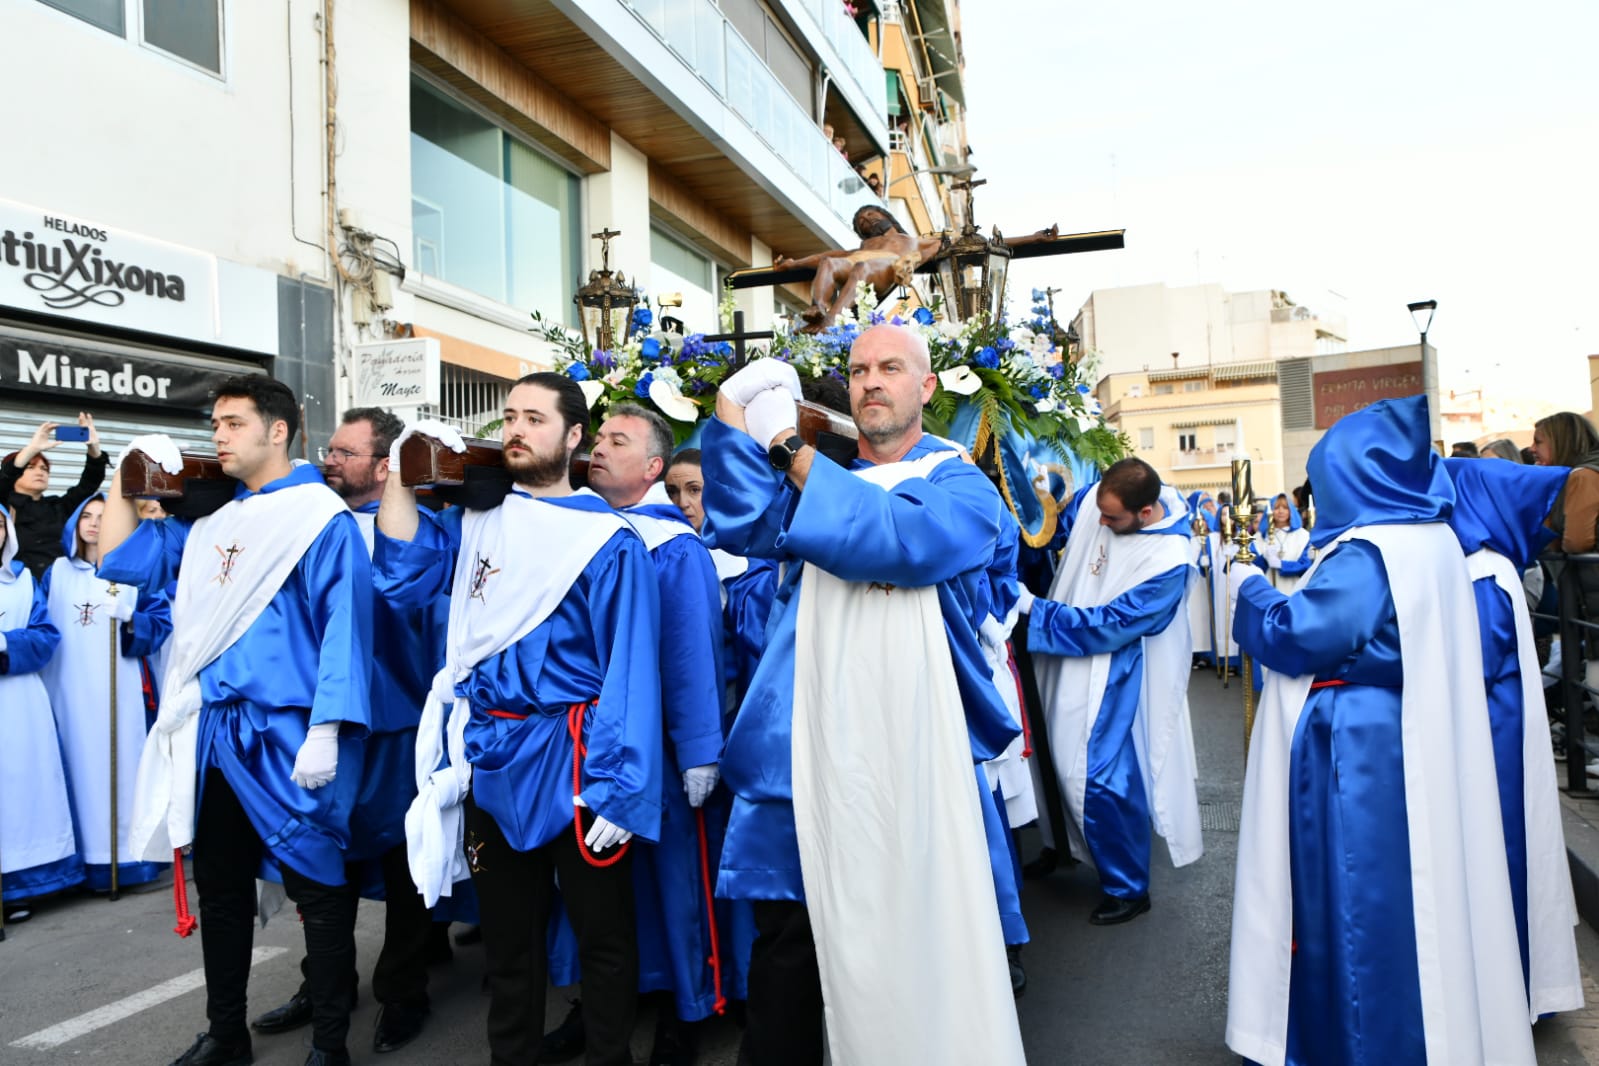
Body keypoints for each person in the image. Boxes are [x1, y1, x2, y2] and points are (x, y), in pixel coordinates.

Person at [700, 324, 1025, 1065]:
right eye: (857, 370)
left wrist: (788, 450)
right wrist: (730, 418)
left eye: (890, 368)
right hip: (802, 733)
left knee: (914, 925)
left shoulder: (959, 483)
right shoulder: (820, 476)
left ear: (927, 387)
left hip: (916, 743)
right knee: (787, 937)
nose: (871, 381)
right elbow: (744, 523)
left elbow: (899, 542)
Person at [1226, 395, 1537, 1066]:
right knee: (1408, 913)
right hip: (1404, 741)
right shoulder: (1431, 539)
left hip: (1361, 753)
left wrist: (1246, 586)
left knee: (1355, 910)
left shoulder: (1367, 553)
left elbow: (1298, 634)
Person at [374, 374, 663, 1066]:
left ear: (573, 438)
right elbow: (400, 576)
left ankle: (607, 1057)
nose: (516, 429)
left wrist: (621, 784)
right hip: (490, 753)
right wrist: (400, 467)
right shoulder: (474, 523)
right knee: (509, 941)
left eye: (535, 418)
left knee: (604, 937)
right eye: (509, 416)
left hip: (576, 759)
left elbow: (629, 668)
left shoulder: (606, 540)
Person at [98, 375, 374, 1066]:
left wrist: (327, 726)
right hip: (214, 733)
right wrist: (127, 472)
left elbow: (346, 627)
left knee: (318, 884)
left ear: (276, 431)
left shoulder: (319, 516)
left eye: (231, 422)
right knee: (221, 889)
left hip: (287, 731)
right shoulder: (209, 520)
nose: (216, 435)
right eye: (214, 423)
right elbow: (119, 562)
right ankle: (226, 1035)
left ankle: (331, 1044)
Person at [249, 407, 450, 1055]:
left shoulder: (420, 527)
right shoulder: (304, 522)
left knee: (401, 869)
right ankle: (323, 983)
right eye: (328, 449)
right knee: (316, 864)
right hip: (316, 724)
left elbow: (403, 596)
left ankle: (403, 991)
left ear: (384, 465)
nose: (328, 460)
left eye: (345, 452)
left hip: (392, 724)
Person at [559, 403, 727, 1065]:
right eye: (597, 437)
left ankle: (684, 1011)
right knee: (591, 892)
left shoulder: (673, 545)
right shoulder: (570, 526)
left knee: (670, 885)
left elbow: (690, 655)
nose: (597, 447)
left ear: (653, 466)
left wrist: (699, 750)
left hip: (654, 746)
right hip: (580, 745)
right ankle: (595, 1007)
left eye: (616, 440)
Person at [1020, 457, 1204, 924]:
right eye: (1099, 510)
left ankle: (1128, 885)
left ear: (1145, 512)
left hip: (1110, 669)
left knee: (1093, 775)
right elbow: (1063, 520)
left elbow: (1113, 626)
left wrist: (1034, 611)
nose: (1099, 522)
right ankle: (1059, 844)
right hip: (1060, 652)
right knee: (1047, 758)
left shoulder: (1170, 561)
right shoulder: (1099, 503)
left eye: (1112, 518)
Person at [1442, 456, 1583, 1015]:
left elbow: (1467, 664)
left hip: (1490, 744)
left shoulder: (1479, 573)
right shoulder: (1493, 563)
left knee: (1497, 859)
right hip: (1496, 732)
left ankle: (1506, 992)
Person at [42, 494, 171, 893]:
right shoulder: (56, 573)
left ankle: (128, 861)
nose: (95, 523)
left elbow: (160, 620)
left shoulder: (132, 571)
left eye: (104, 516)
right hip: (68, 690)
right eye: (88, 516)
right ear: (76, 524)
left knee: (122, 769)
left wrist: (134, 620)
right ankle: (83, 863)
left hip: (119, 693)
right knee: (78, 773)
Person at [0, 506, 83, 920]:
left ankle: (20, 886)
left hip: (17, 702)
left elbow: (46, 636)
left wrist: (3, 645)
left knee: (19, 792)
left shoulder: (22, 580)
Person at [2, 414, 108, 579]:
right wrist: (32, 449)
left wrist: (94, 449)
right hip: (21, 589)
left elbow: (89, 484)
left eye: (45, 469)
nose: (40, 472)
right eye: (31, 467)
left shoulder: (58, 507)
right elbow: (5, 479)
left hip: (59, 588)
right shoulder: (5, 507)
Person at [1253, 493, 1313, 594]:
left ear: (1291, 511)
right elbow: (1252, 568)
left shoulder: (1303, 536)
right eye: (1276, 508)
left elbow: (1307, 565)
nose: (1281, 511)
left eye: (1285, 508)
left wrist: (1282, 565)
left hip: (1294, 590)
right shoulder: (1259, 537)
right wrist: (1264, 559)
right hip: (1268, 591)